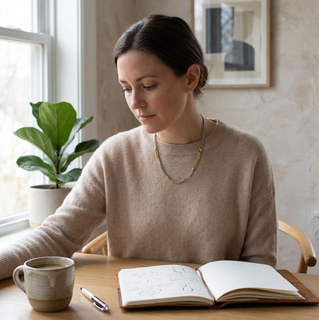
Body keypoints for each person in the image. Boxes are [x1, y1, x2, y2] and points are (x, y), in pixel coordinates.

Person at [0, 14, 277, 281]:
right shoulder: (114, 155)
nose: (135, 102)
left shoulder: (247, 154)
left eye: (148, 85)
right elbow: (57, 235)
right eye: (126, 88)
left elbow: (260, 263)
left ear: (191, 78)